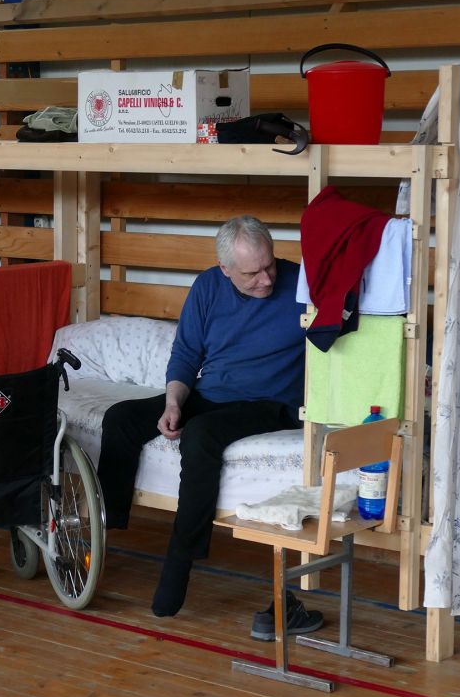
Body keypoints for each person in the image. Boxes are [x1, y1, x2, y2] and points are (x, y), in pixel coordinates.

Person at [97, 215, 322, 633]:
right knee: (121, 418)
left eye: (270, 265)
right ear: (225, 269)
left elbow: (348, 329)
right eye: (252, 273)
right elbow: (185, 355)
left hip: (271, 402)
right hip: (211, 392)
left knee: (200, 437)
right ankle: (106, 530)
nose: (266, 279)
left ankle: (179, 562)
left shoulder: (302, 284)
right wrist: (172, 403)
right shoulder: (207, 287)